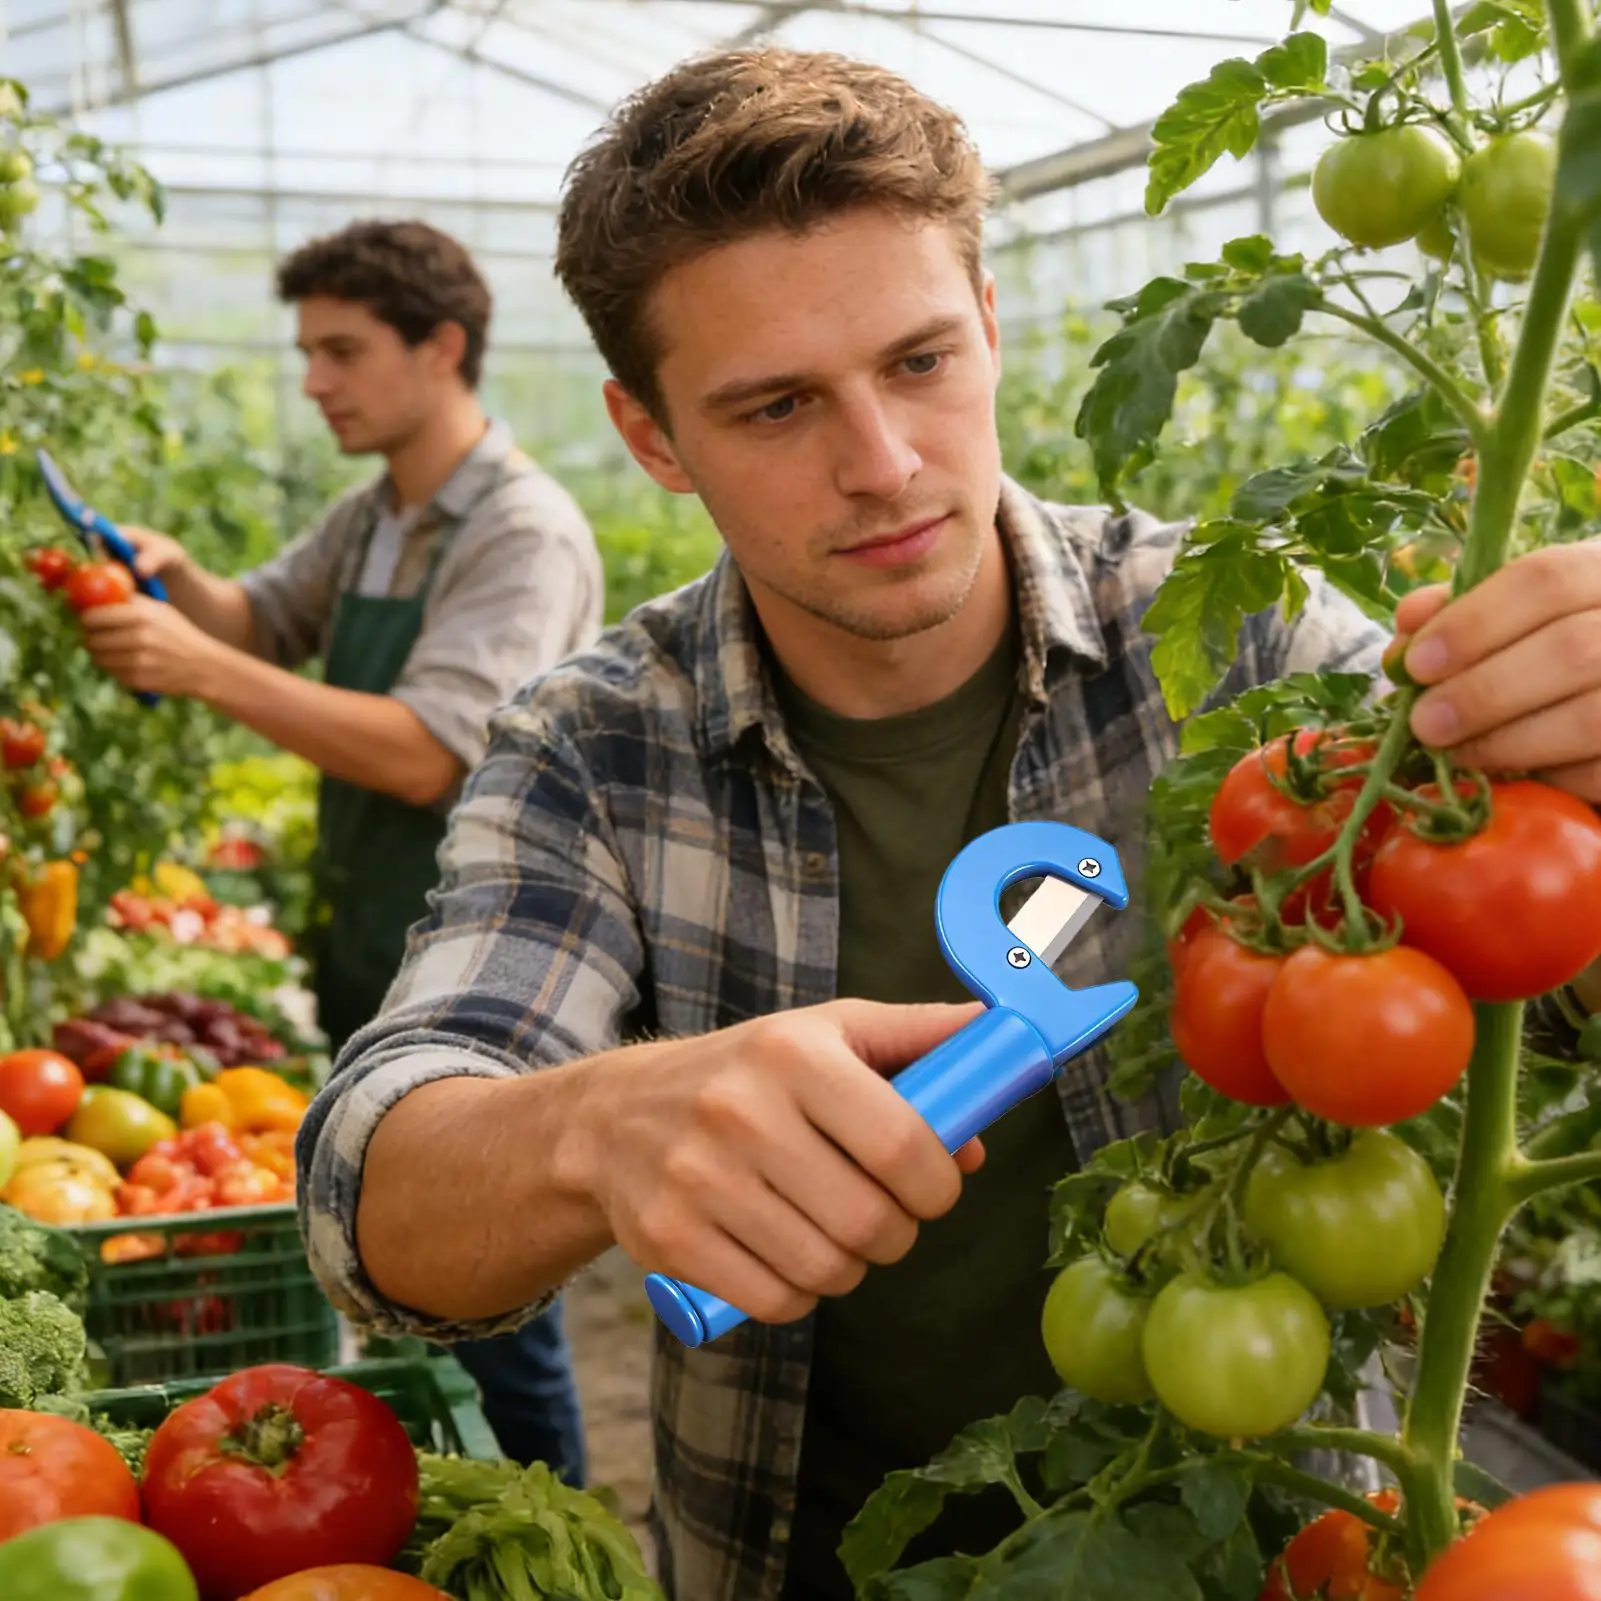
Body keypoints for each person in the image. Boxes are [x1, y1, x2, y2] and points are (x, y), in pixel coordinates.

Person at [293, 52, 1601, 1601]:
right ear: (651, 437)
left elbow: (1559, 1011)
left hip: (1282, 1557)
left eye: (918, 362)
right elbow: (367, 1196)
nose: (883, 463)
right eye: (775, 405)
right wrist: (596, 1127)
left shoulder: (1241, 641)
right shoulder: (600, 750)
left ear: (986, 325)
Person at [82, 218, 603, 1487]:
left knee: (498, 1293)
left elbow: (431, 750)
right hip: (384, 927)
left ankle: (553, 1522)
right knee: (413, 1271)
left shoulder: (516, 531)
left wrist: (199, 668)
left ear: (440, 348)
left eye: (341, 350)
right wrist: (181, 581)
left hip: (494, 971)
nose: (314, 378)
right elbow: (262, 616)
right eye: (308, 349)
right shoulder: (379, 512)